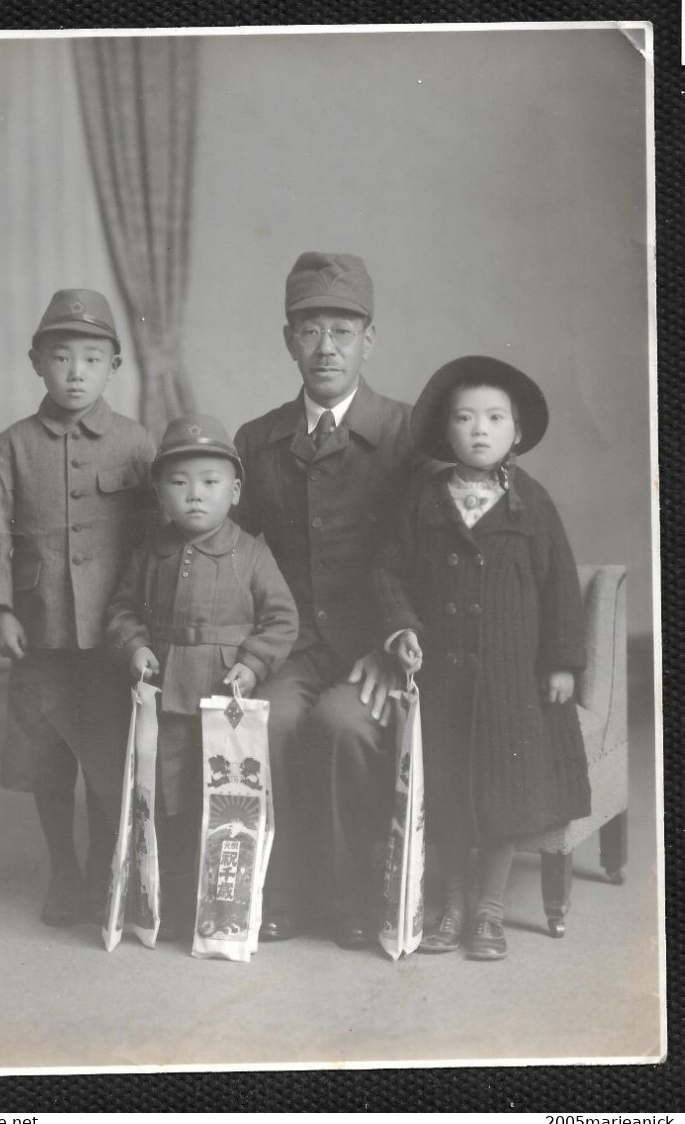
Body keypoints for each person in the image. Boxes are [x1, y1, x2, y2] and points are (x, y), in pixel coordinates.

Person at [375, 355, 592, 959]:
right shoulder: (422, 497)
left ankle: (490, 912)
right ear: (446, 431)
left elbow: (561, 585)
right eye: (465, 418)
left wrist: (560, 661)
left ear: (516, 432)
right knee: (444, 792)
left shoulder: (532, 501)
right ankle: (449, 906)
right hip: (443, 677)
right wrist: (402, 627)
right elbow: (388, 571)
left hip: (509, 679)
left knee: (503, 792)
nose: (479, 429)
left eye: (494, 418)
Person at [234, 252, 421, 947]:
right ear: (289, 340)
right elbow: (237, 556)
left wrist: (392, 645)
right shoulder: (257, 439)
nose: (326, 348)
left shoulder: (406, 433)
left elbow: (427, 559)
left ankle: (348, 896)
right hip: (290, 645)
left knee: (345, 726)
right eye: (310, 330)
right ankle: (277, 893)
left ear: (369, 339)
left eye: (342, 330)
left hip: (375, 647)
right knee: (272, 720)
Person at [0, 289, 156, 927]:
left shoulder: (136, 443)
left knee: (109, 758)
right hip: (40, 630)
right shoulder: (14, 444)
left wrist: (144, 624)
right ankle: (63, 870)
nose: (76, 371)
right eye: (61, 356)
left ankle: (107, 865)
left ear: (115, 365)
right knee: (46, 757)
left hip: (112, 634)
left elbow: (155, 538)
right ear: (36, 362)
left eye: (91, 357)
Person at [104, 414, 299, 938]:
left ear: (235, 491)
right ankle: (163, 900)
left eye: (210, 483)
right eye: (179, 482)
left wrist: (253, 663)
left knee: (221, 807)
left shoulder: (251, 553)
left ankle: (225, 906)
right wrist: (137, 646)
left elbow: (282, 618)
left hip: (222, 703)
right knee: (167, 799)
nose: (195, 495)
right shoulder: (151, 552)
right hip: (166, 696)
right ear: (159, 493)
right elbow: (122, 609)